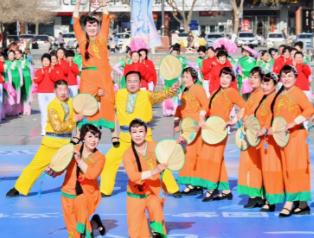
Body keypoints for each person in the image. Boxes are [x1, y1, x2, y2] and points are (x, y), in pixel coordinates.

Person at [105, 71, 180, 197]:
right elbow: (104, 98)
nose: (132, 84)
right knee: (110, 159)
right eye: (129, 81)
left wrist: (171, 90)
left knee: (157, 160)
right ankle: (105, 190)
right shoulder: (118, 94)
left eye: (135, 81)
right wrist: (99, 94)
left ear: (140, 83)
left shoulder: (147, 95)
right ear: (125, 83)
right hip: (124, 137)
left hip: (144, 136)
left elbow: (161, 95)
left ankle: (173, 189)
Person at [7, 80, 84, 197]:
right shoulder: (52, 106)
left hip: (68, 143)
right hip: (51, 143)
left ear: (68, 90)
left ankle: (80, 186)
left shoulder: (73, 102)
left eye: (65, 89)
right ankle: (19, 187)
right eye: (60, 89)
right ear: (55, 91)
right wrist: (75, 119)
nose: (63, 92)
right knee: (35, 166)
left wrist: (97, 95)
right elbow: (58, 127)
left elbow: (87, 104)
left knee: (78, 163)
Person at [266, 65, 314, 217]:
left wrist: (294, 122)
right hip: (283, 138)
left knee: (295, 169)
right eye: (284, 75)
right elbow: (274, 115)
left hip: (297, 136)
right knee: (290, 170)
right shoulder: (280, 94)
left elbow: (309, 109)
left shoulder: (297, 92)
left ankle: (289, 202)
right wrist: (269, 128)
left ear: (295, 77)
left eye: (289, 75)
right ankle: (303, 204)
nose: (286, 79)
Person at [200, 67, 245, 202]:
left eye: (228, 77)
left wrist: (234, 121)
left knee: (214, 159)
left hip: (221, 131)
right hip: (210, 129)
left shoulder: (232, 92)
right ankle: (226, 190)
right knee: (216, 159)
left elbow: (244, 106)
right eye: (223, 76)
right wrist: (201, 118)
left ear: (232, 80)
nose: (224, 79)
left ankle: (211, 188)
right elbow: (205, 106)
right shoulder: (215, 92)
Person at [72, 0, 116, 130]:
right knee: (86, 102)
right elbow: (76, 21)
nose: (92, 28)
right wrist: (78, 2)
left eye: (94, 25)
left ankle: (109, 128)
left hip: (103, 75)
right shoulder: (82, 39)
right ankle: (82, 130)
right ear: (85, 28)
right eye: (89, 26)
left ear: (98, 27)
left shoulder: (102, 37)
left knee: (108, 98)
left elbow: (106, 18)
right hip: (88, 77)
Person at [122, 119, 168, 238]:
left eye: (140, 131)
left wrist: (183, 145)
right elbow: (133, 177)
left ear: (146, 133)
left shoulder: (156, 146)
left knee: (155, 205)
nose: (137, 135)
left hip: (154, 191)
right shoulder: (127, 154)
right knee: (136, 236)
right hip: (136, 193)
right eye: (134, 132)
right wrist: (154, 171)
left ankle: (156, 229)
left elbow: (173, 155)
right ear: (130, 134)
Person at [174, 67, 208, 196]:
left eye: (187, 76)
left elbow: (206, 104)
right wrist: (176, 122)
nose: (184, 79)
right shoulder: (184, 92)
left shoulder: (198, 89)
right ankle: (190, 183)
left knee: (195, 156)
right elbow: (180, 108)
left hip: (195, 129)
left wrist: (201, 120)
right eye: (183, 76)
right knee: (187, 156)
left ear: (194, 78)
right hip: (186, 129)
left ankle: (197, 184)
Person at [238, 68, 266, 208]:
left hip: (255, 135)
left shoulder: (261, 94)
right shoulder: (253, 94)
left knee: (254, 164)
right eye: (251, 76)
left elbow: (257, 113)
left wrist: (248, 118)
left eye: (255, 77)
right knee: (250, 164)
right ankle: (256, 194)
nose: (252, 79)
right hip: (249, 134)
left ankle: (256, 195)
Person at [255, 71, 282, 211]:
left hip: (270, 140)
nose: (264, 87)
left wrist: (265, 129)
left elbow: (273, 116)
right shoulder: (265, 98)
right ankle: (267, 196)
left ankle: (271, 200)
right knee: (266, 169)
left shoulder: (274, 99)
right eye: (263, 83)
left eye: (268, 84)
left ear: (275, 85)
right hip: (263, 139)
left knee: (272, 169)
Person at [34, 55, 57, 135]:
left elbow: (56, 79)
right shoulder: (38, 71)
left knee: (52, 111)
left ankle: (52, 128)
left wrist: (50, 74)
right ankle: (44, 129)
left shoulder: (53, 70)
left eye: (47, 60)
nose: (46, 62)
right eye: (44, 60)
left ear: (50, 61)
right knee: (43, 111)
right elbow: (36, 80)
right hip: (41, 93)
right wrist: (41, 74)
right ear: (42, 61)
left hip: (52, 93)